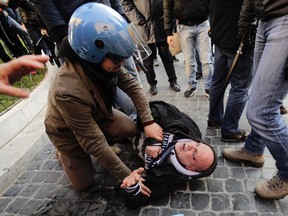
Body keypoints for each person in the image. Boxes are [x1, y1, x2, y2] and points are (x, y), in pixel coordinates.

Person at [44, 3, 163, 191]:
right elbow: (93, 141)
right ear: (91, 52)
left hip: (98, 115)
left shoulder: (105, 61)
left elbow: (133, 86)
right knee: (84, 184)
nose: (121, 62)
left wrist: (148, 121)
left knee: (128, 127)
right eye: (117, 58)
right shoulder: (67, 92)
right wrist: (126, 175)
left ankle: (105, 142)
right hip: (68, 134)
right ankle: (63, 153)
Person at [222, 0, 288, 199]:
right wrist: (244, 23)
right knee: (263, 99)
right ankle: (254, 149)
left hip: (284, 20)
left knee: (261, 112)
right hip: (263, 21)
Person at [118, 101, 217, 209]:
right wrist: (152, 136)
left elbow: (137, 200)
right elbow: (159, 108)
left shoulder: (169, 179)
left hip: (123, 133)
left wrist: (131, 187)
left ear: (190, 168)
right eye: (197, 144)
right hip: (136, 110)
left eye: (194, 154)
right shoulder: (189, 129)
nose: (191, 146)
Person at [207, 0, 255, 142]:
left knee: (218, 82)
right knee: (240, 87)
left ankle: (214, 119)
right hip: (239, 38)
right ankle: (229, 129)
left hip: (221, 34)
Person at [122, 0, 181, 95]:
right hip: (143, 27)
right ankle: (152, 84)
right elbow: (125, 3)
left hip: (160, 25)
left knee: (167, 57)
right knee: (147, 61)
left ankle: (173, 81)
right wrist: (137, 19)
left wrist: (167, 17)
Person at [163, 0, 213, 98]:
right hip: (184, 26)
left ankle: (209, 87)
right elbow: (167, 8)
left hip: (203, 24)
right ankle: (192, 86)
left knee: (207, 60)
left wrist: (213, 22)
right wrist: (168, 33)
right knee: (189, 61)